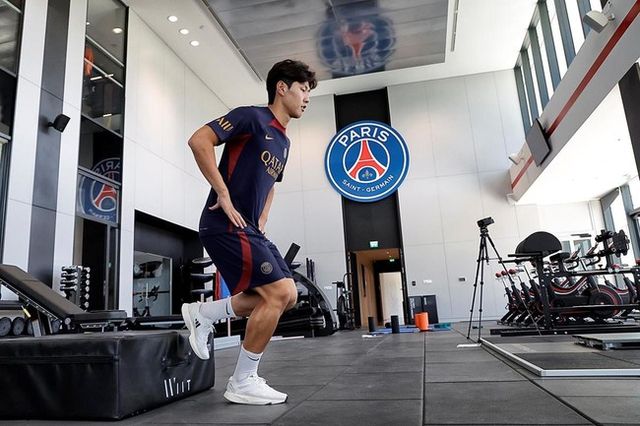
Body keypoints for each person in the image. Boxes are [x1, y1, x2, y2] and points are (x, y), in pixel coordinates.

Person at [182, 59, 317, 405]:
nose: (307, 98)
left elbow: (271, 184)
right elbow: (199, 140)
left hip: (250, 227)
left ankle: (204, 314)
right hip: (223, 223)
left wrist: (264, 217)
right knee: (278, 292)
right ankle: (242, 381)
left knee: (287, 296)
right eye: (303, 89)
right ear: (282, 88)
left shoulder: (284, 142)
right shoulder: (251, 117)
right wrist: (222, 193)